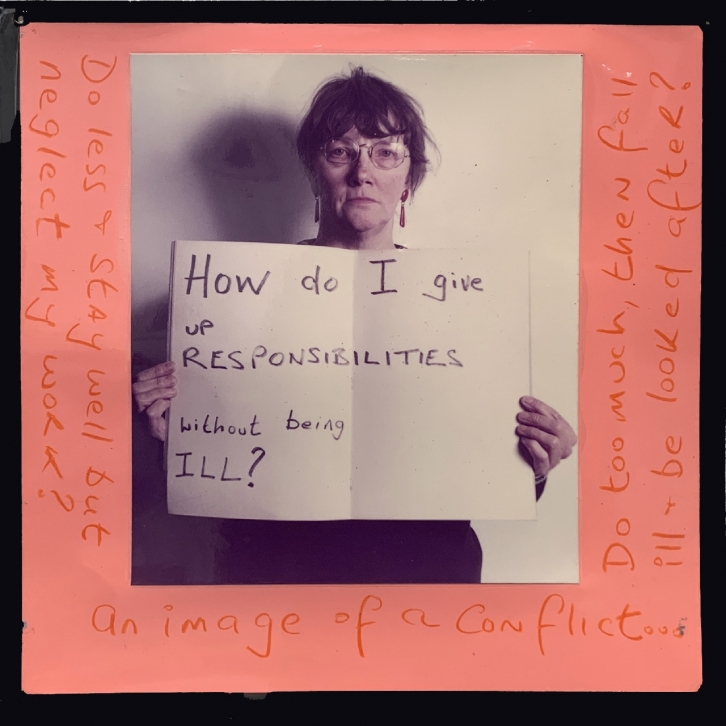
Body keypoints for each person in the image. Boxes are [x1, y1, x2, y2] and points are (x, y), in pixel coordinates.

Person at [133, 67, 577, 584]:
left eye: (386, 152)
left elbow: (481, 461)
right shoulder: (229, 299)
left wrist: (534, 464)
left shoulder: (467, 303)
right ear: (314, 170)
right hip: (278, 577)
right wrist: (166, 436)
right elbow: (212, 467)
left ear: (409, 178)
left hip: (426, 578)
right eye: (341, 151)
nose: (362, 171)